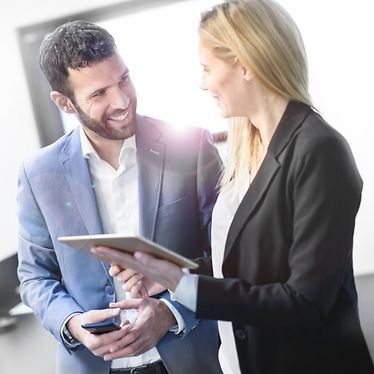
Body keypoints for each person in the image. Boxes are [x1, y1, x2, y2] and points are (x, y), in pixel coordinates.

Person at [92, 1, 374, 373]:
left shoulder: (319, 150)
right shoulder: (250, 145)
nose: (202, 82)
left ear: (245, 65)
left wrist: (184, 284)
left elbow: (305, 301)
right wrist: (165, 272)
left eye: (207, 69)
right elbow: (245, 265)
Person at [17, 20, 223, 374]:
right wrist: (73, 325)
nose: (122, 100)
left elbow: (227, 255)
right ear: (64, 103)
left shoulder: (192, 147)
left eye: (123, 79)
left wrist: (173, 310)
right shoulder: (38, 173)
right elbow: (36, 277)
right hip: (92, 365)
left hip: (190, 358)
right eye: (99, 94)